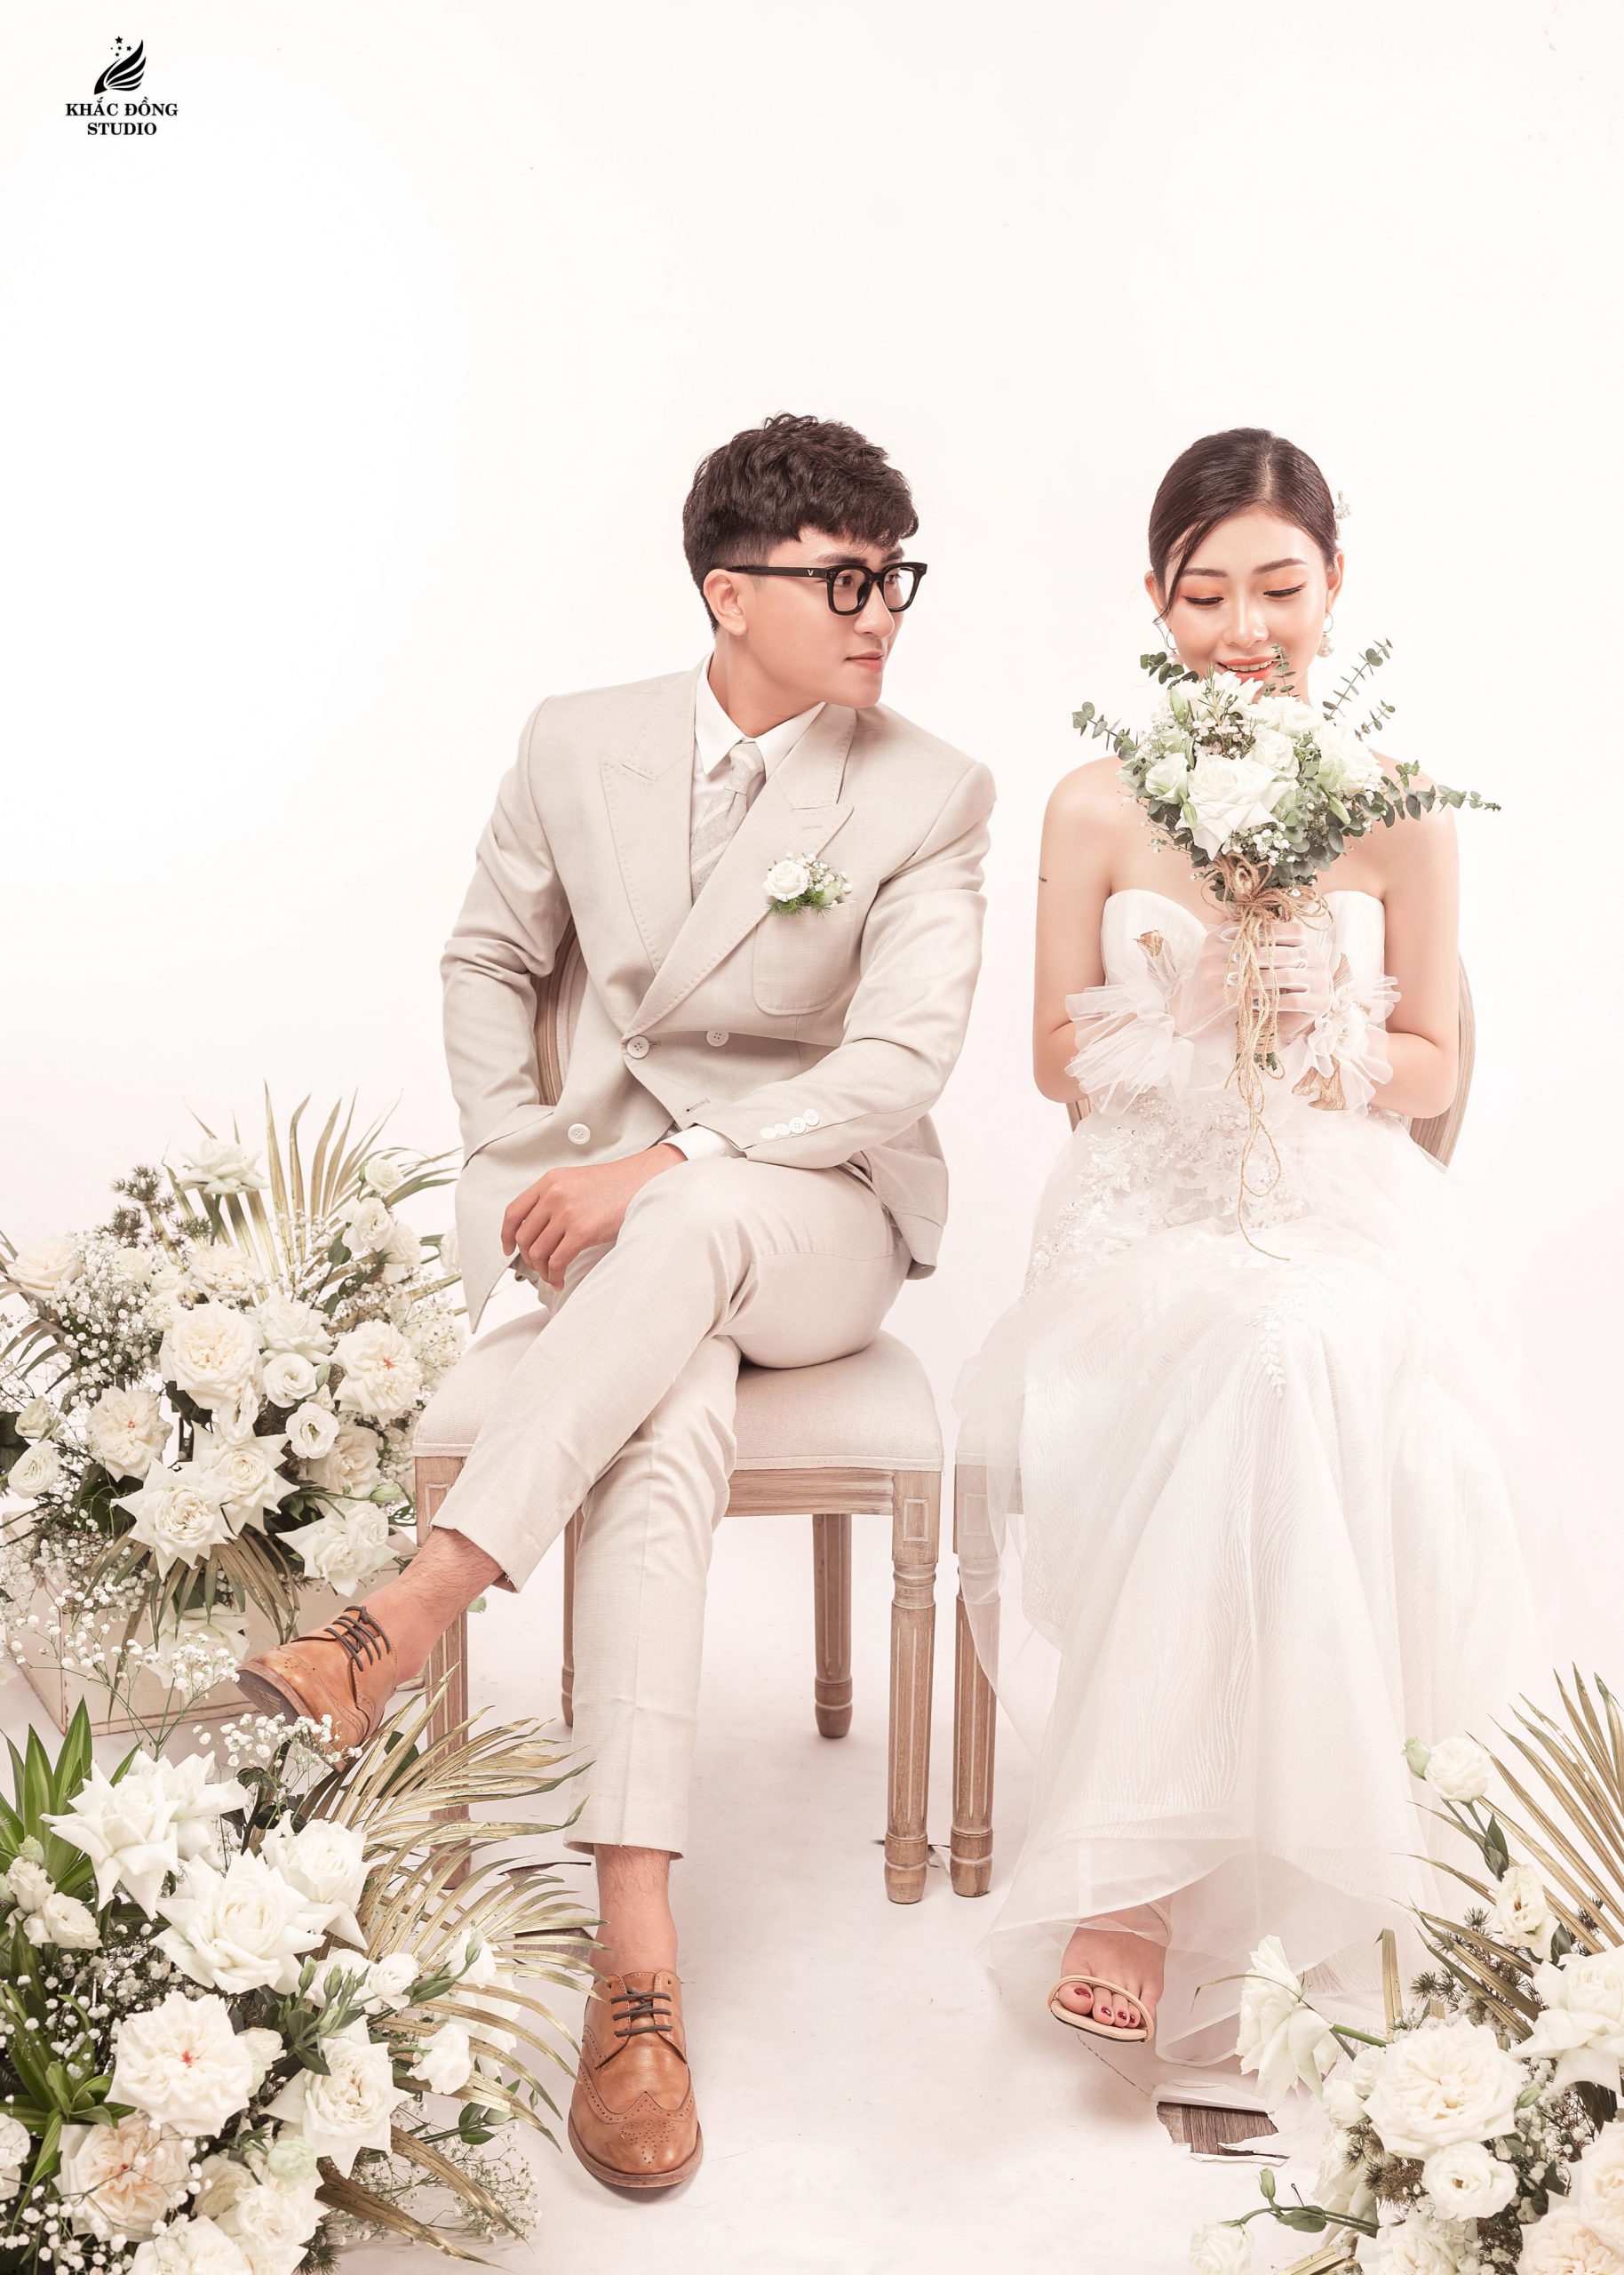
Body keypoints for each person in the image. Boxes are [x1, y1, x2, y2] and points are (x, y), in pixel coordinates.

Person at [238, 411, 996, 2188]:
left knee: (695, 1223)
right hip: (606, 1231)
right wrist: (525, 1168)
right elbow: (488, 958)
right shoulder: (572, 741)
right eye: (842, 581)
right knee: (662, 1426)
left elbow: (895, 1062)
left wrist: (655, 1167)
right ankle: (635, 1963)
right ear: (728, 593)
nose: (881, 613)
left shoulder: (930, 789)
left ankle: (410, 1606)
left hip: (814, 1210)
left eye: (894, 577)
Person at [951, 426, 1610, 2066]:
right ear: (1156, 601)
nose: (1244, 629)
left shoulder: (1401, 810)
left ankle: (1145, 1884)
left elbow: (1432, 1070)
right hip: (1142, 1210)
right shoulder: (1093, 801)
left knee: (1295, 1344)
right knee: (1265, 1351)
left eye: (1279, 588)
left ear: (1334, 587)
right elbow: (1050, 1061)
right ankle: (1170, 1865)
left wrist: (1330, 1032)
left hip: (1337, 1209)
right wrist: (1179, 1013)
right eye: (1206, 595)